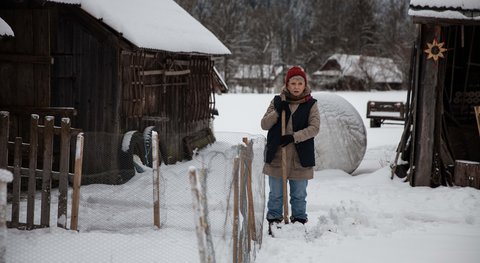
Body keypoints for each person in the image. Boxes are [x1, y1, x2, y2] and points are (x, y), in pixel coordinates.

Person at [261, 66, 320, 231]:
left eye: (299, 83)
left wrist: (294, 137)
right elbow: (264, 124)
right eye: (292, 83)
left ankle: (299, 222)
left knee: (299, 194)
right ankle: (274, 220)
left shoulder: (311, 104)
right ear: (287, 84)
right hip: (277, 156)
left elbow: (315, 128)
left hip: (300, 158)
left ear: (304, 85)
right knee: (276, 194)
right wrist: (277, 112)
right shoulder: (277, 101)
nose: (296, 86)